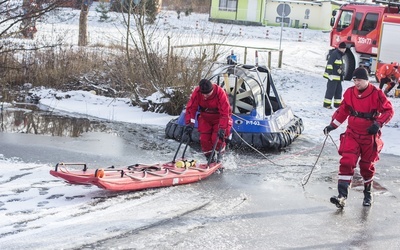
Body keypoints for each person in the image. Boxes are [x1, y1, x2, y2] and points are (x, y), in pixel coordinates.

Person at [323, 67, 394, 209]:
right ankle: (341, 196)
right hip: (352, 133)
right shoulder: (349, 93)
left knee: (366, 166)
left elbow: (389, 110)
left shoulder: (377, 94)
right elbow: (343, 111)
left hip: (369, 136)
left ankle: (368, 194)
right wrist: (332, 125)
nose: (356, 83)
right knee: (347, 161)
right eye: (355, 80)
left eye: (359, 80)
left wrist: (378, 124)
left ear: (367, 80)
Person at [184, 79, 233, 162]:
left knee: (216, 139)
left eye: (208, 94)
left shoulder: (220, 93)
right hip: (205, 118)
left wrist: (222, 128)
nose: (205, 96)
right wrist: (190, 123)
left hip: (219, 119)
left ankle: (221, 156)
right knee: (204, 139)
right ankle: (209, 158)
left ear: (212, 90)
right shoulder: (197, 92)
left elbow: (225, 112)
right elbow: (191, 108)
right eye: (203, 94)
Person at [323, 42, 347, 109]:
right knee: (331, 91)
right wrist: (330, 73)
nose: (343, 50)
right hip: (333, 77)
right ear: (339, 48)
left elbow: (341, 66)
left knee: (338, 91)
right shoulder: (335, 54)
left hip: (338, 77)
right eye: (342, 48)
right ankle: (327, 104)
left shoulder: (341, 55)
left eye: (344, 48)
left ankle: (337, 104)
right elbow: (330, 64)